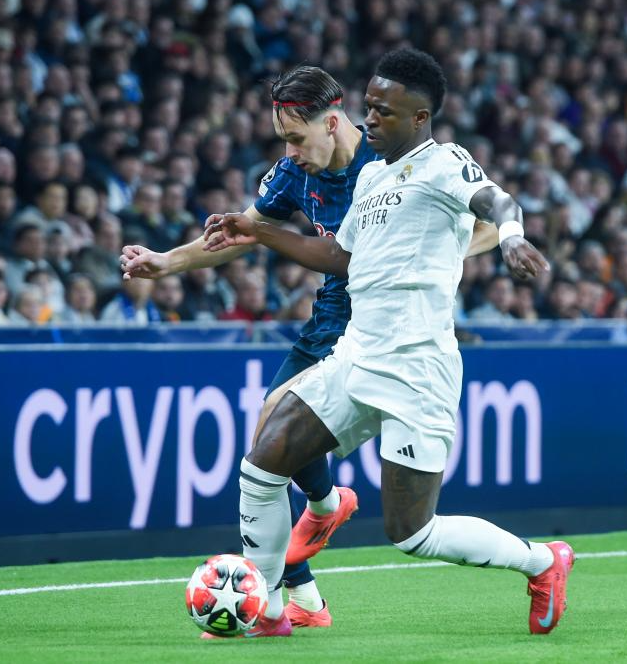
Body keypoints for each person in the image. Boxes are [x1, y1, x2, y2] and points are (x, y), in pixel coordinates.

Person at [202, 48, 572, 638]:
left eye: (384, 111)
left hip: (416, 369)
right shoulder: (372, 176)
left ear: (420, 118)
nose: (369, 118)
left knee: (411, 533)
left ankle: (542, 561)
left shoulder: (443, 162)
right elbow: (338, 256)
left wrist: (509, 236)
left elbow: (498, 201)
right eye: (369, 106)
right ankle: (268, 612)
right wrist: (258, 230)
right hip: (356, 355)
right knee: (263, 463)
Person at [121, 64, 502, 630]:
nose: (290, 152)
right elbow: (242, 233)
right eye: (283, 140)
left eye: (296, 138)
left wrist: (423, 256)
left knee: (272, 436)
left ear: (332, 121)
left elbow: (485, 223)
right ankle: (312, 561)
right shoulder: (293, 174)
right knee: (268, 448)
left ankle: (302, 563)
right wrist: (167, 261)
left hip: (387, 326)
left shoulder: (391, 157)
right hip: (331, 320)